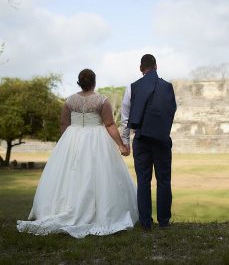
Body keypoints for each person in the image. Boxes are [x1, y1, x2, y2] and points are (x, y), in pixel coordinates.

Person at [17, 69, 138, 238]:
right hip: (96, 140)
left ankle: (64, 209)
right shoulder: (102, 100)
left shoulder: (69, 101)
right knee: (98, 175)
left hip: (71, 138)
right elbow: (109, 124)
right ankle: (97, 213)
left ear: (79, 83)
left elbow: (63, 123)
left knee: (68, 176)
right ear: (94, 82)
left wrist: (67, 144)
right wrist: (121, 145)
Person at [121, 54, 176, 230]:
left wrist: (126, 141)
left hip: (141, 139)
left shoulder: (132, 88)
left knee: (143, 181)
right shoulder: (168, 87)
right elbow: (171, 110)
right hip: (161, 138)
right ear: (156, 66)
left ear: (141, 69)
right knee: (164, 180)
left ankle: (145, 222)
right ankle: (164, 221)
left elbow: (125, 117)